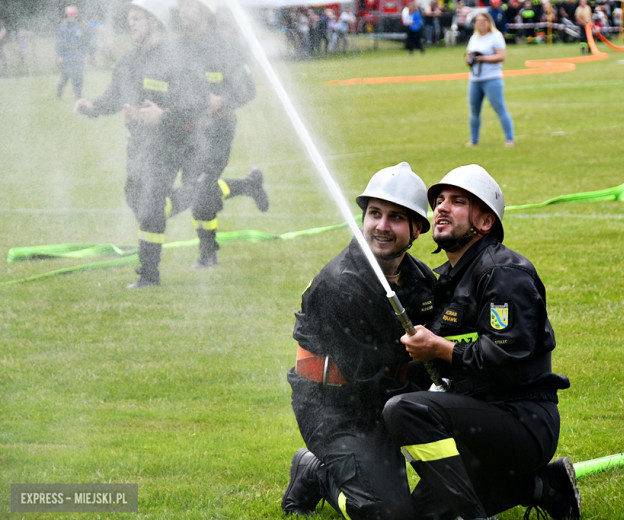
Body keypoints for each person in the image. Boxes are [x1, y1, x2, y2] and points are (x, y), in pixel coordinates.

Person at [382, 165, 580, 520]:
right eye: (439, 201)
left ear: (485, 222)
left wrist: (438, 348)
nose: (442, 208)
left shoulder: (503, 273)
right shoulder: (444, 279)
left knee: (405, 410)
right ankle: (545, 486)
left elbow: (507, 357)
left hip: (522, 421)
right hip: (475, 420)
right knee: (423, 515)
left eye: (458, 202)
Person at [281, 163, 437, 519]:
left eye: (396, 217)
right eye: (375, 214)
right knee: (389, 514)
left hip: (388, 400)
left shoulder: (422, 281)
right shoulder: (339, 284)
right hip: (334, 409)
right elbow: (368, 378)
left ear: (417, 229)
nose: (382, 226)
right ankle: (316, 473)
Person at [73, 0, 210, 288]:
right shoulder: (129, 61)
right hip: (140, 145)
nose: (131, 23)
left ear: (154, 21)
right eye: (130, 18)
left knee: (149, 205)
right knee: (134, 197)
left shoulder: (177, 58)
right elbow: (114, 96)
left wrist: (165, 115)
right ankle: (194, 193)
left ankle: (149, 275)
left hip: (174, 144)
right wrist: (92, 107)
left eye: (138, 18)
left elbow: (198, 102)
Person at [167, 0, 263, 269]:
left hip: (218, 130)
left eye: (190, 5)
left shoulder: (223, 46)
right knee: (199, 189)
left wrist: (222, 101)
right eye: (181, 6)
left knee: (200, 187)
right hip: (187, 131)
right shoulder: (178, 48)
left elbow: (248, 89)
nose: (184, 11)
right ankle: (247, 185)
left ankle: (207, 253)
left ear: (205, 11)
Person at [464, 13, 514, 147]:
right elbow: (468, 55)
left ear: (489, 22)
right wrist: (470, 59)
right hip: (475, 78)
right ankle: (474, 139)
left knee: (500, 108)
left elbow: (501, 56)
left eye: (483, 21)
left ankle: (510, 139)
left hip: (492, 78)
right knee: (474, 111)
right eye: (478, 21)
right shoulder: (474, 38)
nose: (481, 23)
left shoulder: (495, 36)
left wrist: (482, 58)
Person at [56, 6, 88, 99]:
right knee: (67, 74)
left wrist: (84, 55)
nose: (71, 18)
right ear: (67, 16)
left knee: (78, 75)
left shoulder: (79, 27)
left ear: (76, 16)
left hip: (78, 54)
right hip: (67, 54)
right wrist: (60, 55)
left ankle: (78, 94)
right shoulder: (62, 27)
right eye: (70, 16)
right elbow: (59, 42)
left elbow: (83, 42)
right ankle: (60, 89)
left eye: (73, 16)